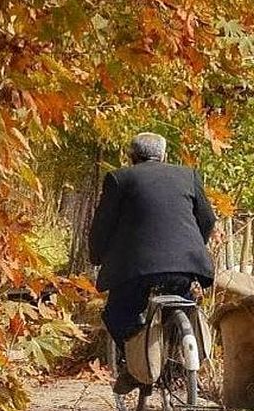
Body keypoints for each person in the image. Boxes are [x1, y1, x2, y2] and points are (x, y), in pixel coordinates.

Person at [88, 132, 216, 394]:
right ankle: (175, 360)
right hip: (185, 264)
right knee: (181, 300)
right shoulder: (188, 176)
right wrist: (193, 247)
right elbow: (208, 219)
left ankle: (137, 367)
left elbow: (103, 225)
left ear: (131, 156)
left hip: (136, 268)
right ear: (164, 155)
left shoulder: (120, 179)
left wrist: (97, 256)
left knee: (118, 313)